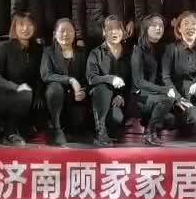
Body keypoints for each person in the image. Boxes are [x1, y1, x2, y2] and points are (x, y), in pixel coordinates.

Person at [0, 13, 44, 145]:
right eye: (21, 25)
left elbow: (40, 76)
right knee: (25, 93)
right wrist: (16, 87)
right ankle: (10, 133)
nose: (25, 28)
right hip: (3, 94)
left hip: (28, 96)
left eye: (29, 25)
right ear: (14, 27)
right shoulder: (4, 46)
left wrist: (39, 94)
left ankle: (23, 127)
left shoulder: (38, 49)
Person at [161, 11, 196, 140]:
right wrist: (178, 98)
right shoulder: (171, 49)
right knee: (194, 118)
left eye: (193, 24)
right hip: (180, 95)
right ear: (179, 28)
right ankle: (183, 126)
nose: (190, 27)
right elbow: (166, 78)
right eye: (186, 24)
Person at [41, 18, 89, 146]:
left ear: (75, 33)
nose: (66, 34)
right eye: (62, 31)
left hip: (75, 98)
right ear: (55, 34)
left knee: (78, 125)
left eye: (69, 31)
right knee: (55, 87)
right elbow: (46, 75)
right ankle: (56, 128)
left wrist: (83, 91)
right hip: (56, 98)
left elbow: (87, 77)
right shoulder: (48, 51)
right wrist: (70, 80)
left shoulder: (81, 53)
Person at [131, 15, 177, 146]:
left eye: (161, 26)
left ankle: (151, 127)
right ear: (146, 28)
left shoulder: (163, 48)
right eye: (154, 25)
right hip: (140, 96)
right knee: (167, 99)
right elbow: (139, 82)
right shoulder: (138, 50)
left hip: (155, 95)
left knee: (171, 119)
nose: (158, 28)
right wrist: (164, 90)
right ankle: (149, 133)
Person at [87, 16, 133, 146]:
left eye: (118, 28)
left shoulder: (129, 53)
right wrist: (110, 79)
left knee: (116, 118)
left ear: (123, 31)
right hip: (99, 97)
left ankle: (110, 129)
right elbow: (91, 78)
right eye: (110, 29)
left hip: (118, 100)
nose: (114, 32)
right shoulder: (96, 53)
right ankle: (100, 131)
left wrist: (121, 96)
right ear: (104, 32)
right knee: (102, 87)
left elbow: (132, 80)